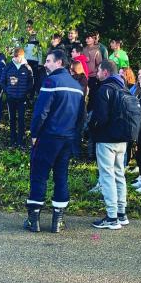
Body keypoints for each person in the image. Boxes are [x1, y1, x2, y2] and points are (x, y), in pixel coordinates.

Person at [24, 50, 86, 233]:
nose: (45, 64)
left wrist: (34, 133)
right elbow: (81, 117)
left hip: (49, 137)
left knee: (39, 175)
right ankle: (57, 221)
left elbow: (41, 111)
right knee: (61, 177)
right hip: (67, 138)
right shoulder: (77, 86)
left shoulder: (51, 82)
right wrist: (75, 136)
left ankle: (33, 220)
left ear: (59, 62)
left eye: (49, 61)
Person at [88, 60, 130, 229]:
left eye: (98, 70)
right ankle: (121, 213)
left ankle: (111, 217)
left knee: (107, 177)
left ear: (105, 72)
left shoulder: (104, 89)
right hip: (122, 139)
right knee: (120, 174)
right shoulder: (123, 88)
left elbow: (101, 117)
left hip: (106, 139)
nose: (97, 73)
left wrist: (92, 127)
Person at [1, 47, 35, 148]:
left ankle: (21, 141)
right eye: (15, 57)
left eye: (18, 57)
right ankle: (12, 140)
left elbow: (31, 82)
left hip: (22, 98)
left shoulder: (27, 67)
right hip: (11, 98)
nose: (16, 59)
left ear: (22, 56)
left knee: (21, 119)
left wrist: (26, 92)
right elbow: (2, 81)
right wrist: (7, 91)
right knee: (12, 119)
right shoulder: (8, 66)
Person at [69, 60, 89, 158]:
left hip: (77, 108)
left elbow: (80, 93)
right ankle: (73, 153)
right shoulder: (82, 79)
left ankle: (75, 154)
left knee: (76, 132)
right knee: (75, 131)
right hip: (76, 107)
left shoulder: (81, 79)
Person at [24, 20, 44, 94]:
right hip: (26, 61)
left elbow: (40, 51)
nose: (28, 28)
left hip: (34, 61)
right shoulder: (24, 36)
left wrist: (40, 63)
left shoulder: (36, 36)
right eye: (27, 26)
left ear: (32, 26)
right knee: (26, 77)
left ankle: (32, 94)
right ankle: (26, 94)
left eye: (29, 26)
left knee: (34, 77)